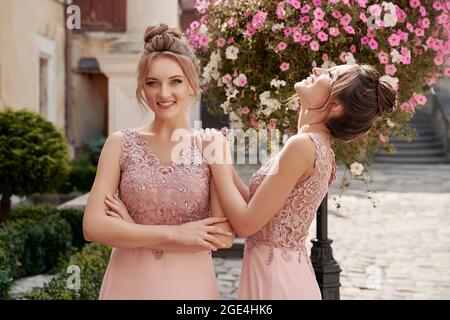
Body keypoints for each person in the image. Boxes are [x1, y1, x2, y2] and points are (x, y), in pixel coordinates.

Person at [206, 63, 396, 299]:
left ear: (336, 105)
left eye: (329, 74)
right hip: (281, 274)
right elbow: (260, 212)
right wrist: (221, 163)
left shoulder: (303, 146)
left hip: (276, 281)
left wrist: (218, 160)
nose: (317, 69)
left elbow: (246, 225)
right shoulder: (317, 148)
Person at [82, 23, 236, 300]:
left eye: (175, 81)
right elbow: (92, 226)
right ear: (143, 87)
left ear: (192, 85)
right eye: (153, 83)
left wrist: (130, 230)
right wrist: (175, 234)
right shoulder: (119, 143)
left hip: (191, 287)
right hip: (127, 284)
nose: (163, 93)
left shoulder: (211, 144)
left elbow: (222, 236)